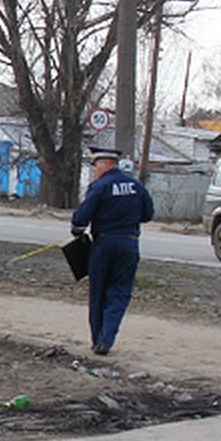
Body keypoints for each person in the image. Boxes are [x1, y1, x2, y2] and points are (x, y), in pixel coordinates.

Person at [71, 146, 155, 356]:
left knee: (98, 292)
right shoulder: (137, 186)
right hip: (129, 244)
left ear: (106, 164)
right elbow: (148, 214)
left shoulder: (100, 187)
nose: (95, 170)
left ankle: (97, 339)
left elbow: (82, 217)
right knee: (119, 293)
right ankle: (107, 338)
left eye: (96, 165)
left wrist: (78, 229)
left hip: (103, 244)